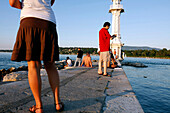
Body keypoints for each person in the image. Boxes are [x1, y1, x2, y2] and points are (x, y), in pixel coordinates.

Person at [9, 0, 64, 112]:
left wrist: (25, 5)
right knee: (50, 64)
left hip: (29, 19)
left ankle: (39, 106)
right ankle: (58, 103)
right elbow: (51, 1)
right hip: (48, 21)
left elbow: (12, 2)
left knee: (33, 65)